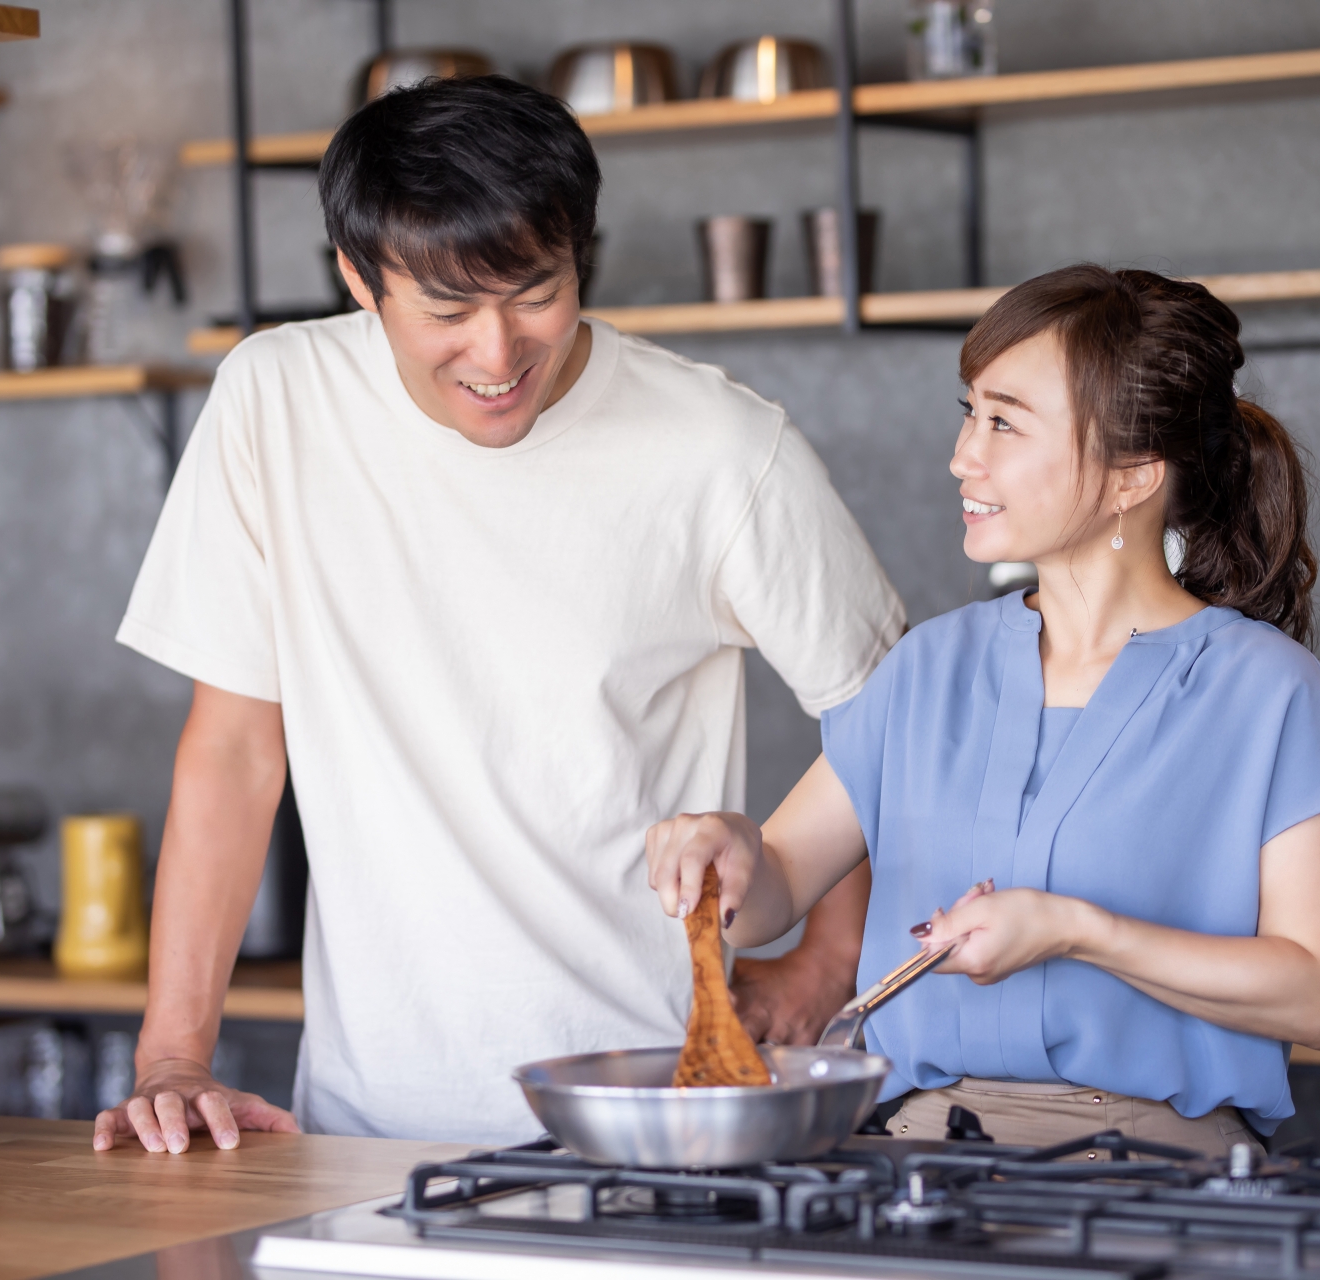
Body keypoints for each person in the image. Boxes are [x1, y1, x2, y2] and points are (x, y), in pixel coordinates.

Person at [91, 76, 902, 1154]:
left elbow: (900, 723)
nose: (499, 349)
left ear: (582, 256)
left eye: (535, 290)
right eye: (447, 308)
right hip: (362, 1137)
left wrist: (821, 964)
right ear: (358, 280)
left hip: (645, 1115)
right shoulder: (273, 404)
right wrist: (173, 1054)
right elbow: (237, 753)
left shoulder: (722, 450)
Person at [647, 265, 1320, 1152]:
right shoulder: (929, 667)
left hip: (1155, 1167)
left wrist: (1077, 931)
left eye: (1005, 422)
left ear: (1132, 474)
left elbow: (1317, 996)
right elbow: (777, 883)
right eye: (969, 413)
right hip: (917, 1158)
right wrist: (729, 852)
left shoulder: (1266, 693)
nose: (964, 455)